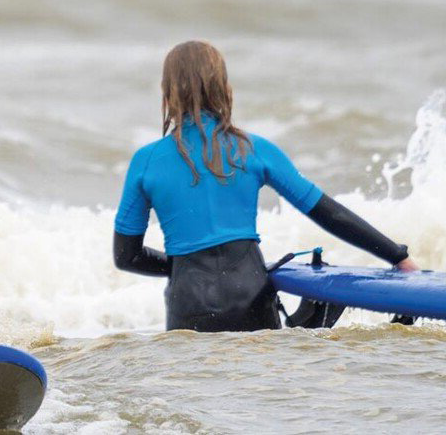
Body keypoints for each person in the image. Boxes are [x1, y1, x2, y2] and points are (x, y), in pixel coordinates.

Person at [113, 41, 419, 332]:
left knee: (198, 382)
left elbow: (127, 256)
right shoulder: (253, 149)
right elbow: (327, 213)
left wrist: (186, 268)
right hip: (250, 296)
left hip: (189, 304)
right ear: (224, 88)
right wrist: (398, 256)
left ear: (168, 93)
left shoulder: (146, 161)